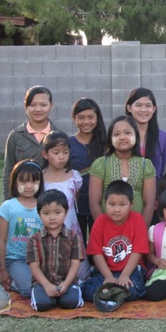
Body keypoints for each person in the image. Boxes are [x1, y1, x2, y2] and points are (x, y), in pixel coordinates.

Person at [81, 181, 149, 302]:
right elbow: (96, 253)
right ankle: (114, 294)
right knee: (89, 292)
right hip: (106, 269)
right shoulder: (100, 221)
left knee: (132, 290)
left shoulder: (137, 219)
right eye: (111, 204)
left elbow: (137, 252)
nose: (116, 209)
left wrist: (125, 275)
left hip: (131, 269)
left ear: (131, 204)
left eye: (122, 205)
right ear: (105, 203)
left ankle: (110, 294)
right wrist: (108, 277)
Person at [89, 115, 156, 227]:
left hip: (137, 229)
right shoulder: (101, 164)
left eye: (127, 133)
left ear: (136, 136)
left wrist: (141, 231)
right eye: (116, 134)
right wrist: (105, 229)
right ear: (110, 139)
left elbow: (149, 204)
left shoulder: (146, 165)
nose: (122, 137)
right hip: (107, 229)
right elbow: (94, 203)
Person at [27, 190, 85, 311]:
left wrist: (66, 283)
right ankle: (47, 296)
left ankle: (68, 293)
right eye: (46, 213)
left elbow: (75, 264)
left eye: (57, 212)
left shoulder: (74, 237)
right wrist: (46, 285)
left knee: (71, 302)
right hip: (43, 283)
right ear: (39, 214)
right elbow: (34, 266)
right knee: (42, 304)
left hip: (67, 282)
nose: (52, 217)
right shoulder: (34, 239)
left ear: (66, 212)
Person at [0, 160, 44, 298]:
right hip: (15, 259)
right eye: (23, 182)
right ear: (15, 182)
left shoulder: (43, 206)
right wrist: (2, 269)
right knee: (30, 289)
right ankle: (10, 281)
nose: (29, 186)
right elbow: (2, 240)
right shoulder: (8, 206)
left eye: (34, 181)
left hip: (40, 259)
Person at [3, 86, 61, 199]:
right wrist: (8, 201)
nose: (38, 109)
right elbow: (8, 172)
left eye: (43, 105)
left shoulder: (59, 136)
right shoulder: (16, 136)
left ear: (51, 106)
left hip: (50, 199)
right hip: (23, 198)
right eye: (32, 105)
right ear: (26, 106)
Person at [69, 98, 107, 243]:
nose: (86, 122)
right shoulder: (69, 144)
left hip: (100, 202)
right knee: (77, 243)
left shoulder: (105, 144)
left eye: (90, 117)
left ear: (97, 119)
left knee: (98, 241)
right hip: (76, 203)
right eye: (81, 117)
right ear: (74, 119)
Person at [41, 131, 83, 238]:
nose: (61, 157)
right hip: (47, 230)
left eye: (65, 152)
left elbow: (75, 198)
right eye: (56, 153)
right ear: (45, 154)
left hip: (70, 228)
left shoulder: (74, 177)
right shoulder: (40, 178)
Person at [125, 87, 166, 182]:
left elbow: (162, 172)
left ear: (154, 108)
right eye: (138, 105)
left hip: (154, 189)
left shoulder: (163, 137)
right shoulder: (121, 137)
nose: (143, 110)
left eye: (148, 106)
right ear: (129, 108)